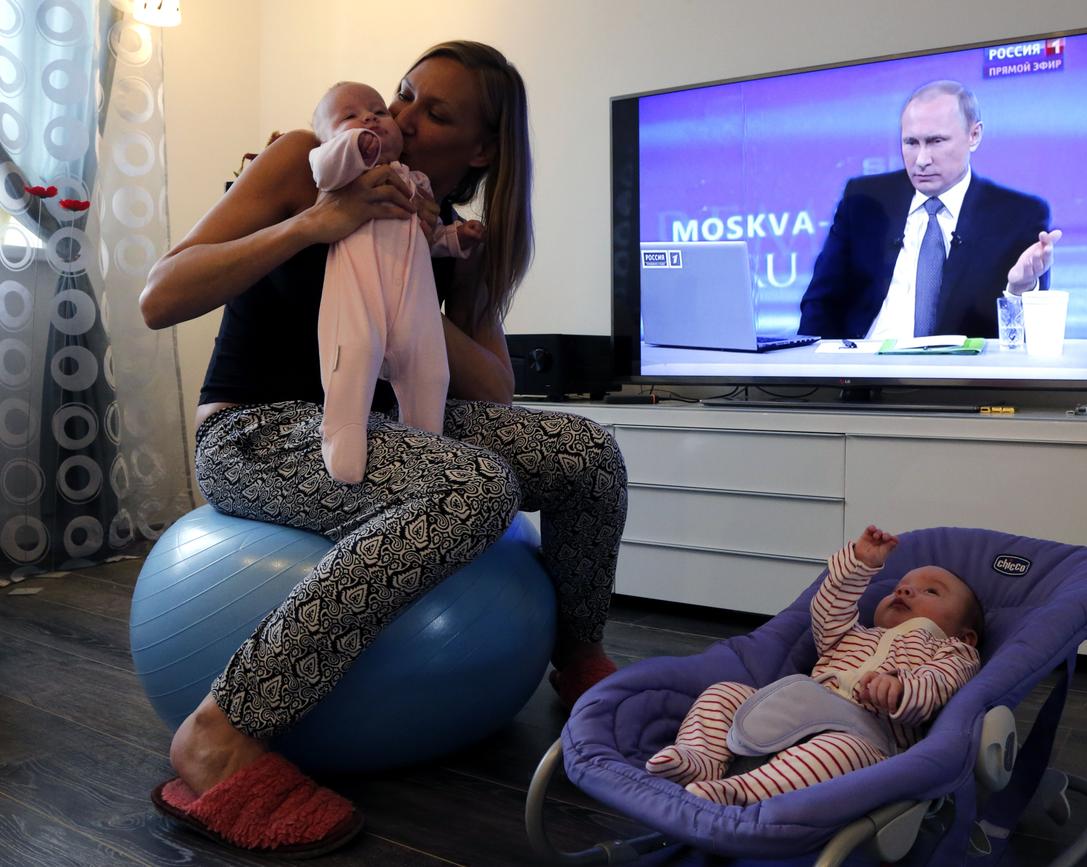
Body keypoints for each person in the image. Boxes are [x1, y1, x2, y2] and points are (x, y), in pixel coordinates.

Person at [139, 41, 626, 855]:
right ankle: (219, 732)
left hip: (382, 423)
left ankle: (577, 660)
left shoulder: (448, 226)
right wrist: (318, 224)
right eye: (403, 94)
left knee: (584, 453)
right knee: (474, 487)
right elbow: (161, 295)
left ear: (482, 150)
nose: (397, 117)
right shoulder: (305, 160)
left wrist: (420, 272)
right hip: (254, 428)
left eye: (433, 113)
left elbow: (493, 387)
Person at [645, 525, 982, 806]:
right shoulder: (853, 633)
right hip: (791, 711)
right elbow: (829, 610)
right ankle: (700, 758)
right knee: (723, 694)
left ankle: (743, 792)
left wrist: (900, 689)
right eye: (899, 586)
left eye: (931, 592)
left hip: (867, 736)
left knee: (839, 753)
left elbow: (940, 682)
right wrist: (859, 566)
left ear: (967, 636)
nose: (906, 590)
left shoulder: (952, 650)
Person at [308, 80, 483, 483]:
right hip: (358, 288)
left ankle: (424, 440)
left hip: (411, 293)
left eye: (377, 111)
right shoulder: (342, 178)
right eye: (349, 116)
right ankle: (341, 436)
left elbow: (426, 239)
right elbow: (322, 164)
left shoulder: (416, 183)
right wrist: (357, 147)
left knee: (429, 366)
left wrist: (456, 239)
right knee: (353, 354)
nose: (369, 117)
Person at [798, 80, 1063, 340]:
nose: (922, 160)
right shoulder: (865, 201)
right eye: (911, 143)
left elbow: (1025, 343)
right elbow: (819, 305)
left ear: (974, 135)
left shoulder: (1018, 215)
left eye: (936, 141)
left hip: (957, 378)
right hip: (865, 372)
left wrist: (1020, 289)